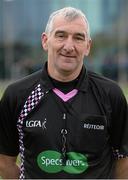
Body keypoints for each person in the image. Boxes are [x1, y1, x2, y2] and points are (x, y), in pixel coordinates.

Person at [0, 7, 128, 179]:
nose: (69, 46)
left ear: (88, 46)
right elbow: (4, 160)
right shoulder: (17, 95)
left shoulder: (111, 95)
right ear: (45, 41)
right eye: (61, 36)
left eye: (78, 37)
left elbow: (124, 159)